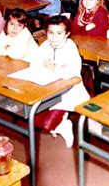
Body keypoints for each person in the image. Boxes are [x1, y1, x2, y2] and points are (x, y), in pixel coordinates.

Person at [31, 15, 90, 148]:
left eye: (59, 33)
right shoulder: (45, 45)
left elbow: (72, 72)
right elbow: (34, 64)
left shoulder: (70, 47)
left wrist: (54, 69)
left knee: (47, 125)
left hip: (68, 92)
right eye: (50, 33)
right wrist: (46, 68)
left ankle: (64, 123)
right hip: (46, 88)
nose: (54, 37)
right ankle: (62, 123)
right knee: (34, 119)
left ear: (67, 34)